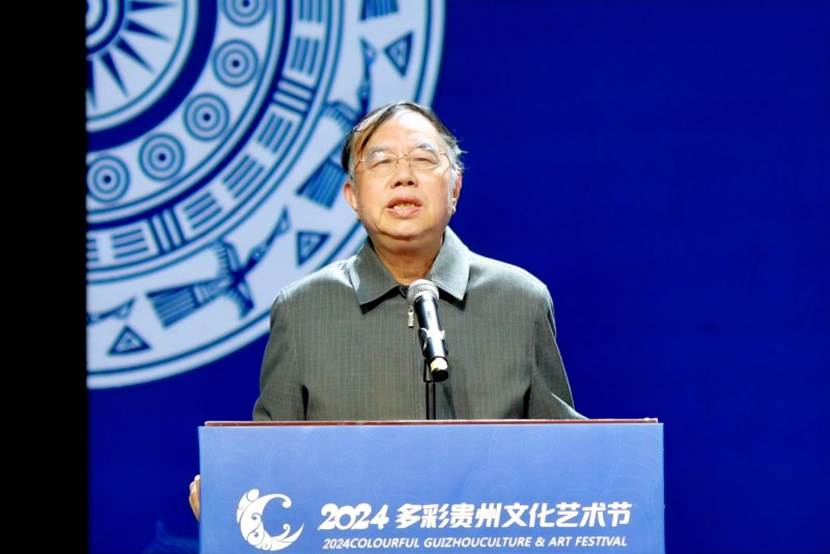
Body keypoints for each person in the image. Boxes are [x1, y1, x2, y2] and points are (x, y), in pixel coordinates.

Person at [189, 100, 583, 519]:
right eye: (380, 162)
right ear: (353, 196)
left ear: (455, 189)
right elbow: (270, 462)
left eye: (423, 159)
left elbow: (565, 459)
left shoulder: (519, 301)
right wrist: (231, 499)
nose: (403, 176)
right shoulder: (303, 310)